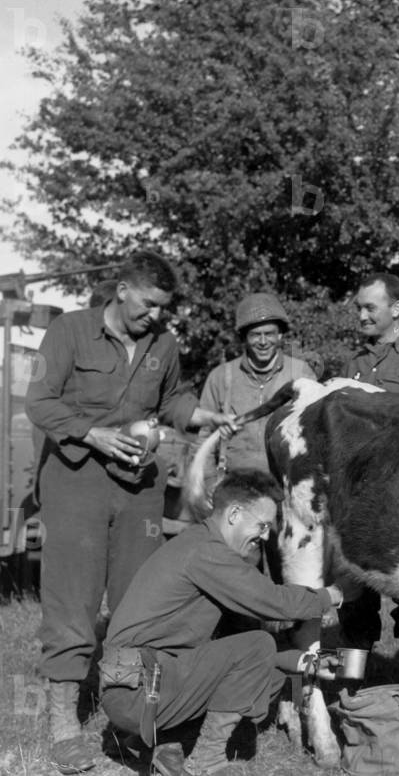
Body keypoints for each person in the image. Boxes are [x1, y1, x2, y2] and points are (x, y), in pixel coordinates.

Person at [26, 250, 239, 775]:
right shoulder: (69, 331)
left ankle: (143, 720)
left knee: (141, 603)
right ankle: (64, 725)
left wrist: (203, 414)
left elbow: (172, 401)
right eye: (149, 305)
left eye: (164, 308)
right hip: (75, 482)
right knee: (72, 600)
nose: (157, 317)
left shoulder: (163, 344)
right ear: (122, 289)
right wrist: (91, 432)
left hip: (140, 487)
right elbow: (39, 401)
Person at [99, 470, 346, 776]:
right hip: (136, 692)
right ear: (234, 514)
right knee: (258, 646)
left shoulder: (198, 544)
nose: (266, 536)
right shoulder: (208, 553)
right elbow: (274, 602)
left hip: (140, 683)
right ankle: (207, 760)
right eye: (262, 525)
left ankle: (160, 741)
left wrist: (304, 662)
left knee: (266, 668)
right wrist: (328, 596)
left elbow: (232, 655)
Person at [339, 272, 399, 676]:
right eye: (358, 307)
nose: (361, 315)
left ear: (396, 309)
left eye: (370, 308)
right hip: (360, 493)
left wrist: (354, 400)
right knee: (357, 592)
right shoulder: (355, 362)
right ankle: (353, 680)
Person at [198, 293, 315, 483]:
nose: (262, 342)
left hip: (286, 487)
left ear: (280, 335)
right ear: (244, 338)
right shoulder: (221, 377)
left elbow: (317, 436)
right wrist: (209, 483)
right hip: (233, 486)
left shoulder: (301, 374)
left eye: (269, 334)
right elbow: (203, 438)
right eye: (255, 335)